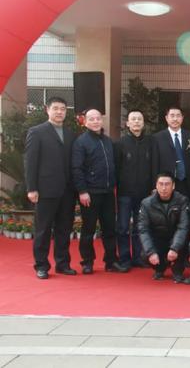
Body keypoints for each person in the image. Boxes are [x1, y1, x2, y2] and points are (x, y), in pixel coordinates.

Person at [25, 96, 77, 279]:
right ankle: (41, 265)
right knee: (43, 229)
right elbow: (30, 162)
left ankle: (62, 264)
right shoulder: (36, 132)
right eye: (55, 108)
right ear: (47, 110)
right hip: (45, 190)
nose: (59, 112)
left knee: (64, 229)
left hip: (67, 191)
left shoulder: (70, 134)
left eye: (63, 109)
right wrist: (31, 188)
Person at [71, 109, 128, 274]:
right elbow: (76, 168)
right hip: (90, 193)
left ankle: (111, 261)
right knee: (88, 229)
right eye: (91, 119)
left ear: (102, 121)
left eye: (98, 118)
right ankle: (87, 262)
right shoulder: (81, 142)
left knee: (110, 228)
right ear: (85, 122)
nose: (95, 121)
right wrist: (82, 191)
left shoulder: (108, 141)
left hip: (108, 192)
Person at [114, 109, 153, 268]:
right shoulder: (120, 144)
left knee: (139, 227)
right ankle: (124, 258)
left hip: (144, 193)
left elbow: (154, 167)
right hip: (124, 193)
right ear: (128, 123)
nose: (136, 122)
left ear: (143, 123)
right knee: (123, 227)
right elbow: (116, 168)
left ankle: (138, 257)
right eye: (133, 119)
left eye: (139, 119)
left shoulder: (151, 142)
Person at [137, 172, 190, 282]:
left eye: (167, 184)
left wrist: (175, 248)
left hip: (175, 239)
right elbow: (143, 230)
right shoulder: (146, 203)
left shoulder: (182, 200)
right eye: (161, 184)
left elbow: (183, 227)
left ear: (173, 186)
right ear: (156, 186)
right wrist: (151, 252)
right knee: (145, 254)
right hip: (158, 240)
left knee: (184, 241)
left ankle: (177, 270)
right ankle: (159, 268)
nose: (164, 188)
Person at [152, 106, 190, 197]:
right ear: (166, 118)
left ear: (182, 118)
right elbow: (155, 163)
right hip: (166, 183)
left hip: (186, 182)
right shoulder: (157, 138)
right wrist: (154, 185)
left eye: (178, 116)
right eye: (172, 116)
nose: (175, 119)